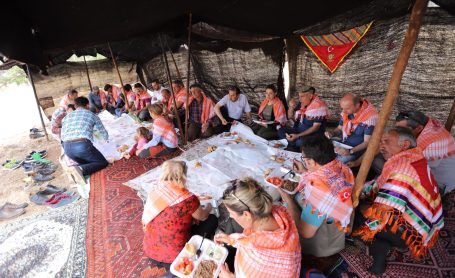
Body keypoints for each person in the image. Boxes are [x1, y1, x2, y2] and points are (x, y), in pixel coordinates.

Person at [353, 127, 444, 275]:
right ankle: (384, 242)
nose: (381, 146)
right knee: (364, 201)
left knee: (353, 215)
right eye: (381, 142)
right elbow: (380, 185)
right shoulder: (416, 158)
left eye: (386, 142)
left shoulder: (403, 168)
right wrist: (362, 189)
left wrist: (357, 204)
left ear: (405, 144)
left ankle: (379, 247)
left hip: (408, 235)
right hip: (425, 227)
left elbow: (381, 210)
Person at [280, 135, 354, 257]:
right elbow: (326, 179)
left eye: (304, 159)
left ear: (311, 161)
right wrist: (305, 171)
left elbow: (305, 233)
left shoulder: (317, 192)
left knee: (283, 207)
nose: (304, 161)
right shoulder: (341, 167)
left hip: (323, 244)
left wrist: (287, 198)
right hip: (337, 222)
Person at [215, 177, 301, 278]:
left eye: (232, 214)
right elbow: (251, 239)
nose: (231, 217)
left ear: (247, 215)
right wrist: (232, 240)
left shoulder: (260, 258)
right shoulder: (280, 212)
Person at [142, 160, 218, 265]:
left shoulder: (156, 190)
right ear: (183, 176)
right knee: (212, 219)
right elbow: (203, 217)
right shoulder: (188, 199)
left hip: (150, 252)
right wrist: (209, 207)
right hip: (176, 257)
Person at [61, 96, 109, 176]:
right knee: (102, 162)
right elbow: (103, 132)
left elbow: (62, 136)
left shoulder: (66, 117)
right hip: (81, 146)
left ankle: (75, 170)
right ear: (87, 105)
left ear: (75, 106)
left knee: (88, 162)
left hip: (67, 148)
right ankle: (80, 169)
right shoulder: (92, 115)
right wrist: (107, 141)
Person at [325, 93, 378, 164]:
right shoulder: (346, 111)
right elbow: (339, 129)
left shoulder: (370, 117)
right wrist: (331, 133)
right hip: (343, 144)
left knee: (335, 164)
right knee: (322, 153)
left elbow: (367, 142)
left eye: (347, 108)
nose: (344, 111)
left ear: (357, 105)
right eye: (342, 108)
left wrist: (350, 151)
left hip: (356, 150)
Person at [278, 87, 330, 152]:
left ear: (310, 96)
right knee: (281, 131)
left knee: (299, 141)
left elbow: (315, 128)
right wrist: (291, 107)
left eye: (302, 96)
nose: (299, 99)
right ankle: (292, 146)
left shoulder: (319, 106)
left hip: (313, 134)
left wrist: (297, 136)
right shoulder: (302, 103)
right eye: (299, 96)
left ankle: (292, 146)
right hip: (299, 130)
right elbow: (290, 116)